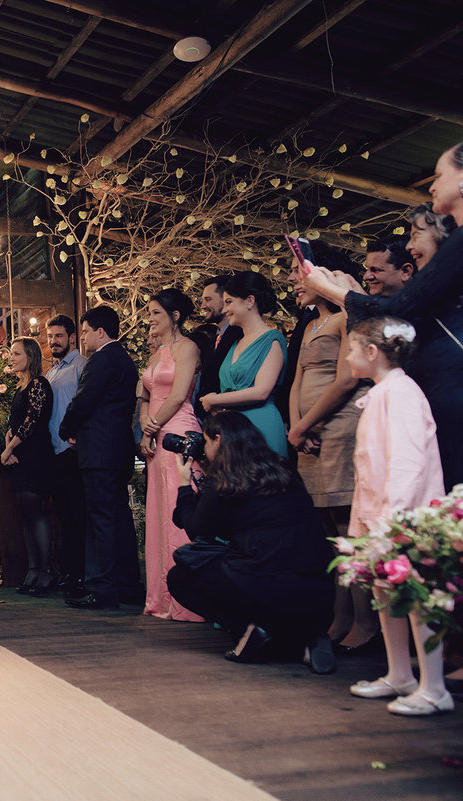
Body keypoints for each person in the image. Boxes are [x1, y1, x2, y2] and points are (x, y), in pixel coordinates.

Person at [303, 142, 463, 487]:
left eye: (439, 175)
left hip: (451, 388)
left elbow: (399, 313)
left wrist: (335, 292)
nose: (432, 185)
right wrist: (349, 296)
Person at [167, 411, 336, 674]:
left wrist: (184, 486)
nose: (205, 448)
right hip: (319, 584)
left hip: (266, 582)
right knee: (260, 564)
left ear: (218, 440)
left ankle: (250, 629)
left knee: (180, 577)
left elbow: (197, 531)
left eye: (207, 442)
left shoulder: (225, 479)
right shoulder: (282, 468)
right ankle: (307, 640)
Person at [341, 317, 451, 715]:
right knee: (384, 592)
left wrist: (394, 519)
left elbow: (407, 461)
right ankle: (400, 673)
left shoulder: (401, 393)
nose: (347, 357)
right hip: (379, 513)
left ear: (372, 353)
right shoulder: (383, 392)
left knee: (416, 597)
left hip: (402, 516)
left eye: (352, 349)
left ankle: (434, 687)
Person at [286, 251, 374, 651]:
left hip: (338, 427)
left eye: (299, 272)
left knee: (346, 528)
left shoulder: (345, 318)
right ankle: (339, 616)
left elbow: (345, 380)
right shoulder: (310, 324)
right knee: (326, 530)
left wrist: (306, 425)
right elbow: (297, 380)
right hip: (306, 434)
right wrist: (296, 427)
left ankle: (365, 621)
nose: (294, 281)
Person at [59, 306, 141, 611]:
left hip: (99, 451)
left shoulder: (101, 360)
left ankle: (105, 589)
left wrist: (67, 429)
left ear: (101, 332)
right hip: (118, 450)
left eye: (85, 331)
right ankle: (128, 586)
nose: (82, 337)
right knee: (119, 517)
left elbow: (84, 400)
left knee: (102, 520)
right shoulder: (125, 360)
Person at [138, 289, 202, 622]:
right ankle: (161, 598)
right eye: (149, 313)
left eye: (156, 313)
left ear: (175, 316)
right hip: (155, 433)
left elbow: (178, 396)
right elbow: (145, 395)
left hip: (178, 430)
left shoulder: (187, 347)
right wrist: (144, 423)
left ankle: (187, 600)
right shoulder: (156, 353)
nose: (150, 319)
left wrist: (152, 428)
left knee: (179, 510)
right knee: (159, 512)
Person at [200, 272, 287, 456]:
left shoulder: (272, 340)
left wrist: (215, 399)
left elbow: (261, 391)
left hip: (260, 424)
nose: (225, 309)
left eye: (229, 302)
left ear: (250, 301)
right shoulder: (235, 344)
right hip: (232, 430)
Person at [0, 337, 55, 597]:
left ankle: (47, 572)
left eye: (17, 354)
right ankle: (32, 570)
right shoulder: (20, 386)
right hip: (21, 456)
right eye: (11, 353)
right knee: (25, 513)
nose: (11, 358)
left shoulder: (38, 384)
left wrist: (9, 449)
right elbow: (14, 423)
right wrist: (8, 444)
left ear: (31, 357)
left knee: (36, 512)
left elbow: (32, 421)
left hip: (36, 455)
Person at [44, 314, 88, 597]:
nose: (53, 342)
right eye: (50, 337)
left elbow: (85, 405)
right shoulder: (51, 371)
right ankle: (68, 572)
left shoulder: (81, 366)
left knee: (76, 517)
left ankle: (80, 575)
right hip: (54, 453)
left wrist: (78, 437)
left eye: (59, 336)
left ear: (72, 337)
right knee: (62, 516)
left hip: (72, 450)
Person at [195, 275, 243, 418]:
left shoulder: (240, 334)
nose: (203, 306)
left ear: (226, 299)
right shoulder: (214, 340)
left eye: (208, 299)